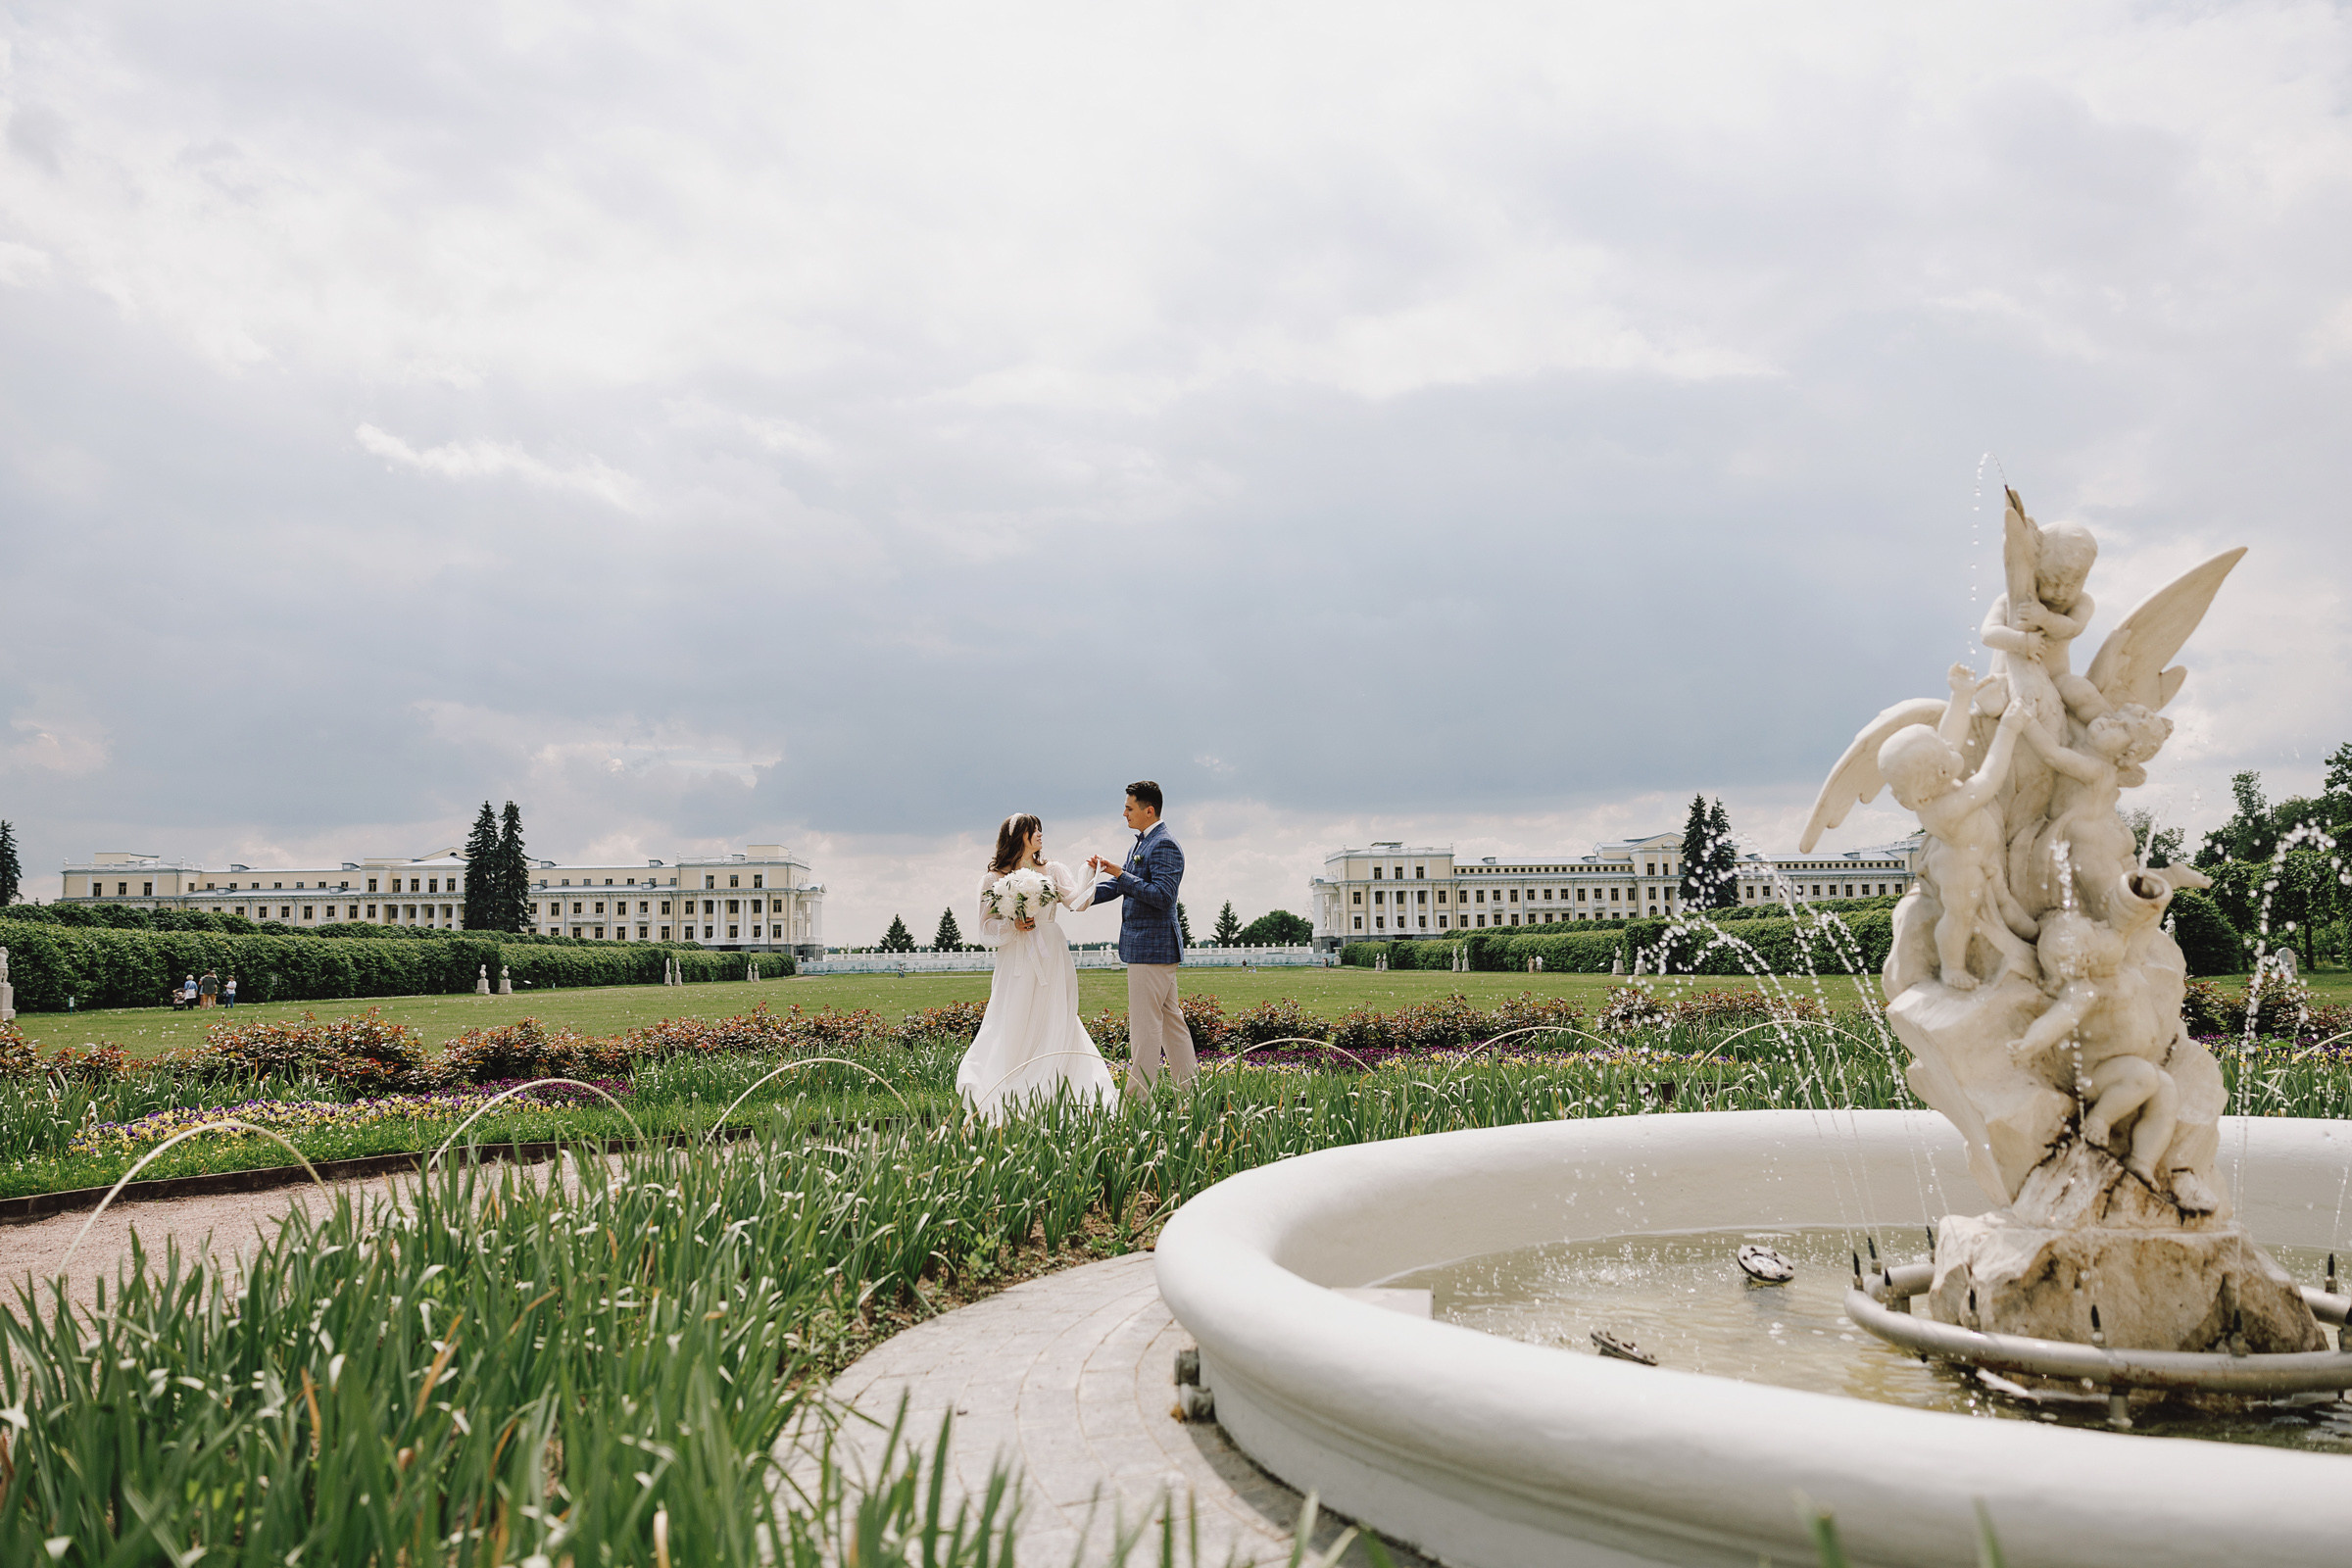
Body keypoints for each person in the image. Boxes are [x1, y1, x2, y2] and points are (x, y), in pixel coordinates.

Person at [955, 814, 1118, 1120]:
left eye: (1041, 828)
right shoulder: (993, 879)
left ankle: (1059, 1084)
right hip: (1015, 957)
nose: (1041, 834)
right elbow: (985, 929)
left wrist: (1090, 870)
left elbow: (1077, 902)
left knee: (1058, 1014)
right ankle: (1009, 1083)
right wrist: (1012, 924)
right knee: (1013, 1014)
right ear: (1018, 836)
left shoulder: (1053, 869)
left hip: (1052, 953)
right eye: (1034, 830)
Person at [1087, 781, 1196, 1094]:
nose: (1124, 813)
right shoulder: (1140, 843)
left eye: (1129, 808)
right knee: (1173, 1027)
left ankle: (1136, 1107)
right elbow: (1124, 886)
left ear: (1149, 811)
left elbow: (1163, 896)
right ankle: (1190, 1096)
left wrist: (1121, 874)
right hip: (1149, 950)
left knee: (1145, 1031)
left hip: (1152, 950)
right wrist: (1081, 896)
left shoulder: (1165, 844)